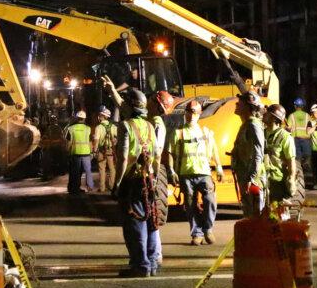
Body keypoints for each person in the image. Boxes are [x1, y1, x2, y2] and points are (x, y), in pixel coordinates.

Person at [115, 90, 166, 277]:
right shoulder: (150, 126)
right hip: (150, 179)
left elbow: (122, 158)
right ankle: (151, 264)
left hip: (133, 180)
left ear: (130, 106)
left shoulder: (126, 126)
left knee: (135, 223)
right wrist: (156, 175)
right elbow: (157, 154)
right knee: (151, 220)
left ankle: (140, 265)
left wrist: (117, 183)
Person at [164, 101, 223, 246]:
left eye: (195, 112)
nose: (191, 115)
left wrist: (219, 166)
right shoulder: (178, 132)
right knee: (190, 205)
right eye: (189, 112)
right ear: (186, 113)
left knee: (210, 200)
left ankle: (207, 229)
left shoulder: (206, 132)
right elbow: (170, 152)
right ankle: (197, 233)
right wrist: (171, 171)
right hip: (186, 173)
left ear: (199, 113)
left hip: (204, 172)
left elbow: (214, 150)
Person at [232, 91, 267, 218]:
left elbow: (259, 152)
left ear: (248, 106)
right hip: (245, 177)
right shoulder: (246, 124)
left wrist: (251, 178)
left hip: (253, 180)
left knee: (256, 218)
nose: (237, 104)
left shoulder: (253, 125)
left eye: (240, 103)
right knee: (249, 216)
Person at [264, 104, 298, 215]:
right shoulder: (261, 133)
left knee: (277, 216)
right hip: (263, 181)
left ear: (274, 118)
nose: (264, 114)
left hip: (277, 183)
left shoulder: (285, 137)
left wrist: (292, 178)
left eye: (267, 113)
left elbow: (291, 160)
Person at [64, 110, 95, 194]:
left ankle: (75, 188)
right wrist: (92, 152)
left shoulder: (71, 128)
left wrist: (67, 152)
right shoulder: (88, 129)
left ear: (77, 118)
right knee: (88, 170)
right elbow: (90, 142)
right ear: (84, 119)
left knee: (76, 172)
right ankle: (90, 187)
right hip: (86, 153)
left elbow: (69, 142)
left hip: (75, 153)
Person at [286, 98, 312, 184]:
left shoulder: (292, 116)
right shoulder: (307, 115)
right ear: (303, 106)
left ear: (295, 106)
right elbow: (310, 126)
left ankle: (299, 176)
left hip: (295, 139)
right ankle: (307, 165)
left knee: (297, 159)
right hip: (306, 138)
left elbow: (288, 128)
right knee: (307, 155)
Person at [92, 106, 117, 193]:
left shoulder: (98, 127)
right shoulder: (113, 126)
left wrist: (94, 151)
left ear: (102, 116)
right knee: (112, 169)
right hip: (111, 151)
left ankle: (102, 188)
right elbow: (117, 139)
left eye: (100, 115)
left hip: (102, 151)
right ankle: (112, 186)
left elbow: (96, 140)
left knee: (102, 169)